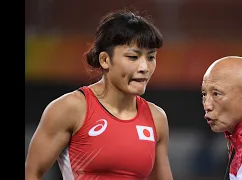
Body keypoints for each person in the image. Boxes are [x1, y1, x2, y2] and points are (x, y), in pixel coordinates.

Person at [25, 9, 173, 180]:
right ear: (105, 60)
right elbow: (32, 173)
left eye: (151, 57)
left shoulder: (156, 118)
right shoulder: (71, 108)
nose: (144, 68)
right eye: (133, 57)